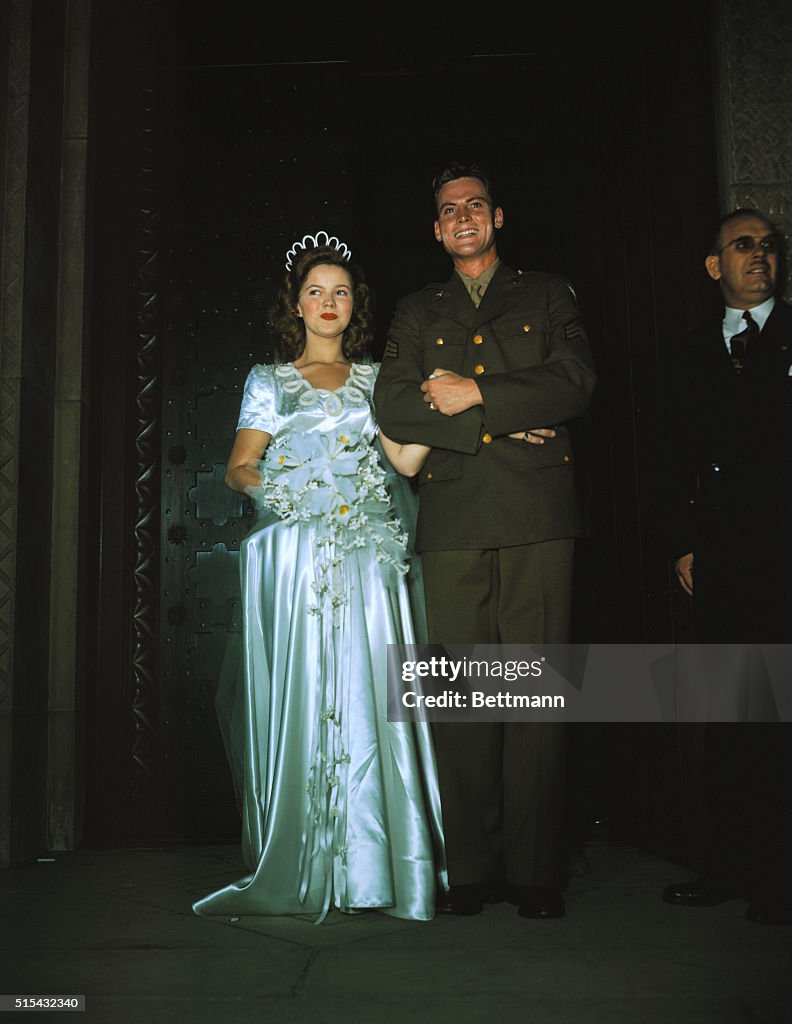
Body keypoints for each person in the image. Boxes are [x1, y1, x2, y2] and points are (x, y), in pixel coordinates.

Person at [193, 235, 446, 923]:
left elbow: (406, 461)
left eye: (340, 292)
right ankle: (305, 855)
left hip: (367, 552)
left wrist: (451, 407)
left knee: (371, 691)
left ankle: (379, 863)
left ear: (354, 305)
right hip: (300, 555)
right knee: (306, 691)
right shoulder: (268, 380)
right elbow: (240, 468)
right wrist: (291, 495)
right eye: (315, 291)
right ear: (296, 305)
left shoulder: (376, 379)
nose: (327, 302)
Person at [373, 162, 596, 918]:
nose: (462, 216)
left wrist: (473, 395)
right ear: (435, 230)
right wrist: (496, 419)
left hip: (537, 513)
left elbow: (573, 382)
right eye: (448, 210)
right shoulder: (414, 308)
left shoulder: (547, 291)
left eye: (475, 205)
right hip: (455, 516)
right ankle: (470, 867)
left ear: (497, 218)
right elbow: (396, 405)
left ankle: (533, 872)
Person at [661, 208, 792, 925]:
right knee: (725, 717)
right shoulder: (688, 352)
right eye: (741, 246)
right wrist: (683, 541)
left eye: (768, 246)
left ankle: (780, 880)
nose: (758, 256)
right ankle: (724, 866)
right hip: (718, 557)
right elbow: (673, 453)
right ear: (713, 265)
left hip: (788, 555)